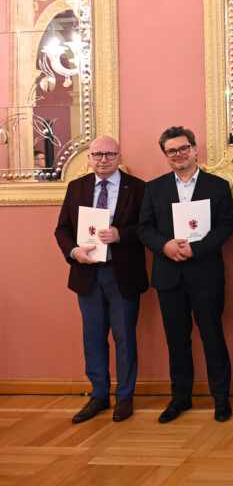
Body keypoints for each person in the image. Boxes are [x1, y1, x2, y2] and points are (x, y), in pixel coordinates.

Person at [138, 126, 233, 423]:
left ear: (194, 149)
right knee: (176, 341)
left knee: (212, 337)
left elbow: (225, 226)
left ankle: (221, 399)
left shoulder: (218, 186)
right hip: (169, 276)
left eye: (183, 148)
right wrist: (164, 246)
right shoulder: (154, 188)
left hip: (205, 273)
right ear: (165, 156)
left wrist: (197, 249)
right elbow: (144, 228)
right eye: (172, 151)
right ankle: (180, 398)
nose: (178, 154)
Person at [54, 135, 148, 424]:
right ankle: (99, 395)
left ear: (119, 157)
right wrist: (74, 252)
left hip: (123, 274)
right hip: (87, 273)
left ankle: (125, 396)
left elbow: (148, 229)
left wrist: (121, 234)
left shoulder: (139, 188)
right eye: (98, 155)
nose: (103, 160)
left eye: (109, 154)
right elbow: (62, 229)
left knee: (124, 337)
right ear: (89, 158)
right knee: (93, 337)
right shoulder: (77, 187)